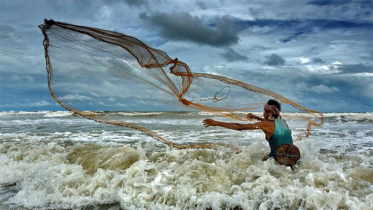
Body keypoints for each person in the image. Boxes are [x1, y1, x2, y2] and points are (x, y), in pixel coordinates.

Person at [203, 99, 300, 168]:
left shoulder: (265, 124)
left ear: (269, 113)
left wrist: (216, 123)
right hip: (293, 158)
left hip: (278, 161)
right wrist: (257, 118)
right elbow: (270, 124)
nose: (263, 113)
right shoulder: (283, 122)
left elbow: (240, 127)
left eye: (264, 111)